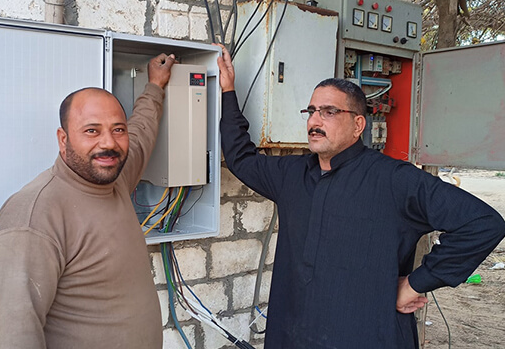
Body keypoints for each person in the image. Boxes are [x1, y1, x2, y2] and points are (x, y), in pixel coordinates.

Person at [216, 45, 505, 349]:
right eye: (312, 111)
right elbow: (241, 159)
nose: (315, 121)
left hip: (367, 332)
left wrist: (416, 283)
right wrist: (228, 90)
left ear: (358, 125)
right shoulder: (291, 174)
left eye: (329, 112)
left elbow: (483, 223)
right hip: (295, 331)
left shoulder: (395, 179)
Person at [0, 53, 176, 348]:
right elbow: (15, 334)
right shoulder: (33, 215)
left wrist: (155, 86)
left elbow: (141, 132)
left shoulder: (115, 180)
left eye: (117, 130)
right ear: (63, 140)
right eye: (91, 131)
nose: (109, 143)